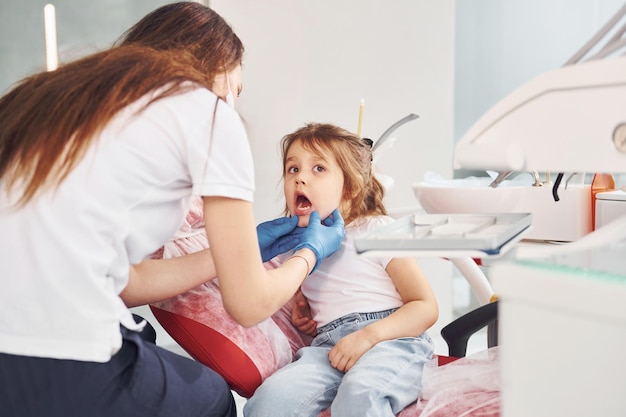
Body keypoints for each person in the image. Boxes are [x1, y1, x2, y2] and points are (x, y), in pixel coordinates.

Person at [0, 3, 344, 417]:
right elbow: (249, 305)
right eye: (234, 90)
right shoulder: (209, 114)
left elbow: (124, 284)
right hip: (70, 353)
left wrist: (235, 251)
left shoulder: (49, 101)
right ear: (218, 70)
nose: (232, 104)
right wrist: (311, 252)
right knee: (213, 399)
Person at [243, 123, 439, 417]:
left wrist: (369, 336)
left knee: (360, 397)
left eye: (318, 168)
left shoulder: (378, 231)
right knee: (267, 404)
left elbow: (425, 307)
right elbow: (308, 292)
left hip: (391, 340)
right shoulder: (294, 249)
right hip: (327, 349)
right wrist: (301, 306)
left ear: (350, 187)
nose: (300, 179)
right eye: (292, 169)